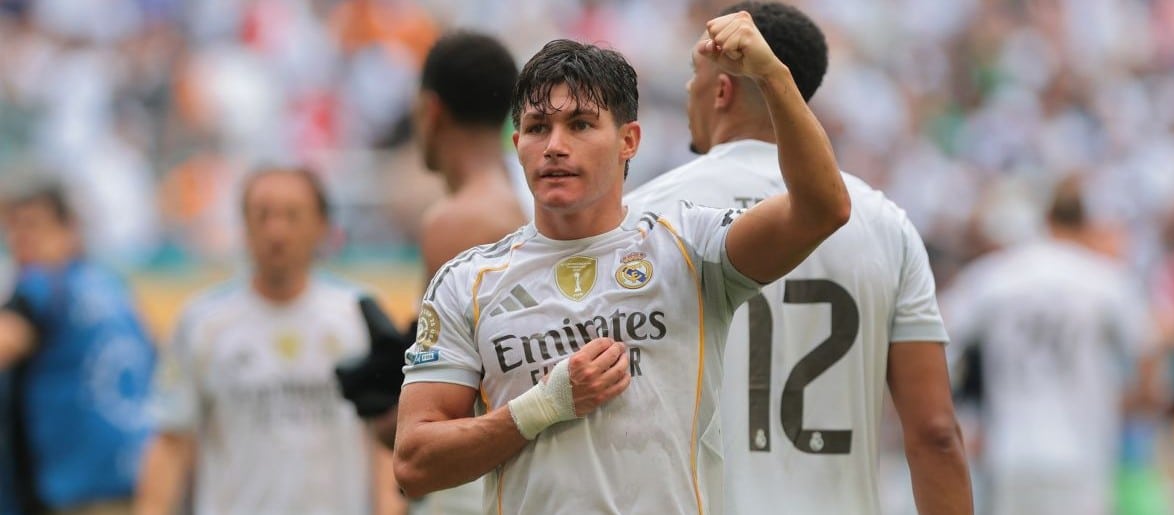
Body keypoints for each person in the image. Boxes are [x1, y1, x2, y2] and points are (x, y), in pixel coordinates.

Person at [393, 11, 850, 515]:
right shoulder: (466, 282)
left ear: (629, 140)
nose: (555, 147)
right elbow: (415, 464)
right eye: (537, 127)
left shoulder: (690, 244)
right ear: (517, 143)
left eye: (581, 124)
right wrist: (543, 406)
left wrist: (772, 76)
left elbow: (823, 209)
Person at [624, 3, 972, 514]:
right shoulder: (885, 223)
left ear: (721, 90)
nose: (686, 91)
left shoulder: (644, 214)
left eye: (693, 75)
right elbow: (935, 433)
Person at [335, 31, 527, 515]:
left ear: (430, 109)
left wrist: (384, 407)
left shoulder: (457, 220)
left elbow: (434, 408)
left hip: (471, 485)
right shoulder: (529, 196)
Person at [135, 167, 402, 515]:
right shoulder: (202, 323)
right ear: (243, 227)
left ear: (322, 226)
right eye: (262, 215)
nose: (276, 230)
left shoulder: (358, 315)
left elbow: (383, 437)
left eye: (292, 215)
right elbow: (172, 442)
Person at [942, 175, 1152, 515]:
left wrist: (962, 417)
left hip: (1011, 451)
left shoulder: (998, 275)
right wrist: (1130, 401)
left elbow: (939, 334)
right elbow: (1147, 353)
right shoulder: (1104, 280)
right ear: (1085, 224)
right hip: (1083, 452)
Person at [0, 179, 156, 515]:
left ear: (69, 228)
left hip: (76, 490)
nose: (22, 240)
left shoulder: (42, 287)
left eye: (33, 226)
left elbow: (6, 340)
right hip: (134, 474)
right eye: (13, 228)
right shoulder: (114, 288)